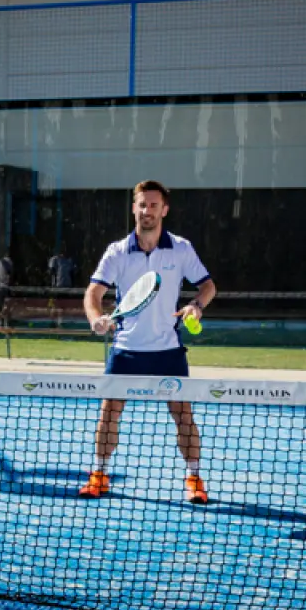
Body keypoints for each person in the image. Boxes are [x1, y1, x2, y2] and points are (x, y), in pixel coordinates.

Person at [80, 180, 217, 504]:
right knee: (109, 413)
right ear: (134, 208)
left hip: (167, 351)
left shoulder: (181, 249)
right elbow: (93, 293)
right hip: (126, 350)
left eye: (154, 205)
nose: (147, 211)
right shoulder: (117, 252)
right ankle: (99, 474)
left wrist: (196, 305)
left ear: (164, 210)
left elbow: (208, 286)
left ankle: (195, 478)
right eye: (142, 204)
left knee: (183, 414)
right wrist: (95, 318)